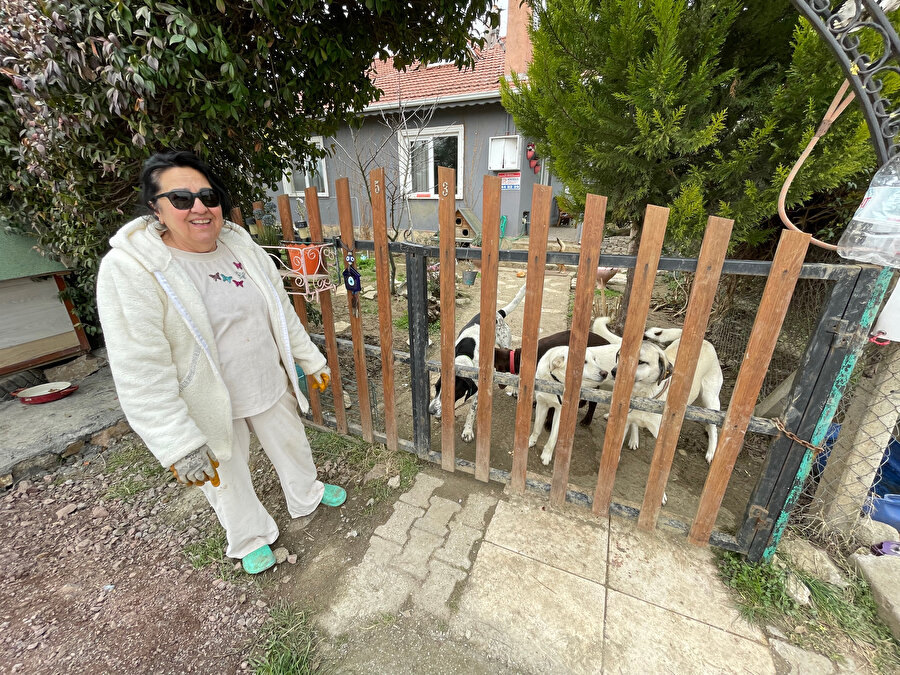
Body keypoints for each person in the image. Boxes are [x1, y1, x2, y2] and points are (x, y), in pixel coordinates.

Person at [96, 150, 342, 574]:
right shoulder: (131, 269)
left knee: (292, 444)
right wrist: (178, 443)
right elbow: (140, 368)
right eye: (181, 198)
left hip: (265, 379)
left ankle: (307, 493)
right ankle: (249, 536)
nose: (199, 207)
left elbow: (280, 310)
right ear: (156, 208)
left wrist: (309, 359)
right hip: (208, 400)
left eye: (208, 196)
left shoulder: (238, 244)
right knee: (225, 474)